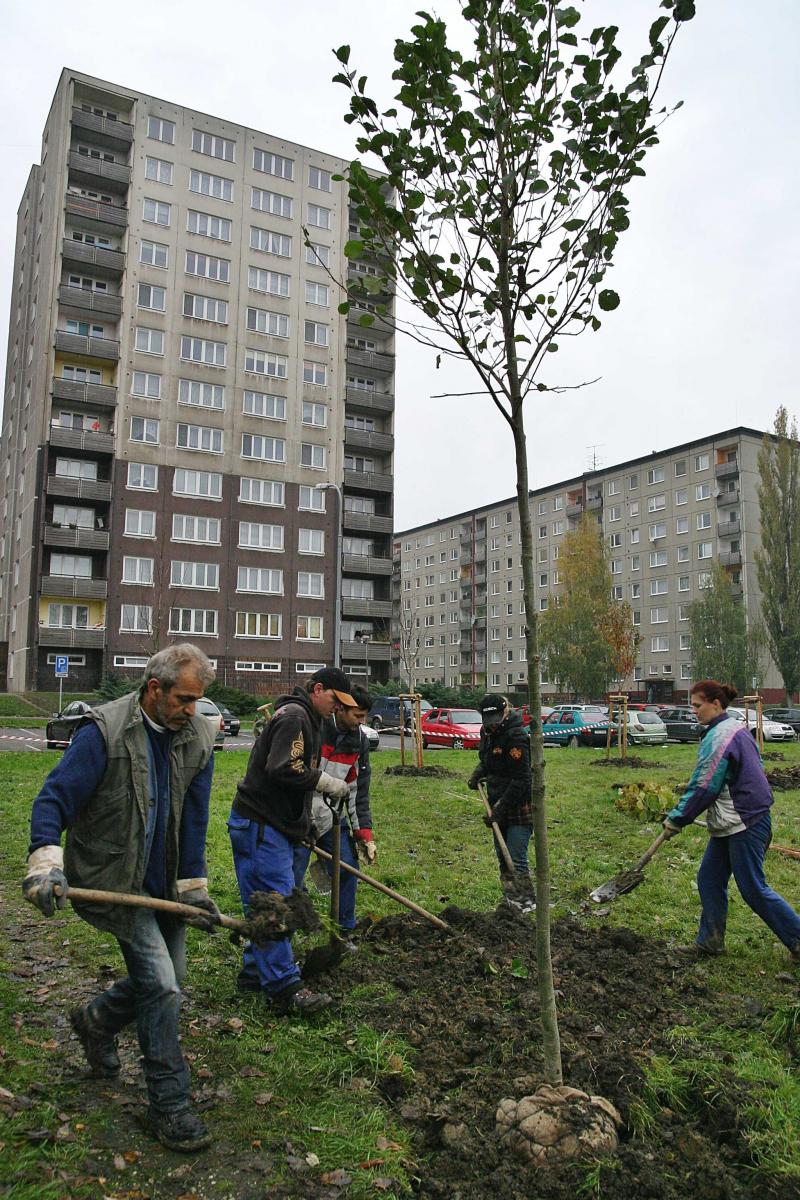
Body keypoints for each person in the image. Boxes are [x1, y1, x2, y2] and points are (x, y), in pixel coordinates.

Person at [22, 644, 219, 1153]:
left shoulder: (198, 735)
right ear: (154, 689)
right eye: (183, 699)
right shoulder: (103, 732)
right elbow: (54, 799)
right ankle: (169, 1103)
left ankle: (95, 1021)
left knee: (171, 978)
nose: (191, 710)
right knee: (162, 987)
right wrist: (45, 861)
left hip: (164, 886)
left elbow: (194, 816)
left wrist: (193, 887)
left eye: (198, 700)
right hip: (115, 882)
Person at [228, 666, 356, 1014]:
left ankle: (255, 973)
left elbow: (289, 787)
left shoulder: (308, 718)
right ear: (318, 689)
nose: (338, 708)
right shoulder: (295, 717)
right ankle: (285, 986)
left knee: (268, 899)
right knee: (275, 902)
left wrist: (303, 827)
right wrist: (326, 781)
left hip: (273, 824)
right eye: (335, 699)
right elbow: (283, 768)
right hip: (260, 825)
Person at [664, 680, 800, 963]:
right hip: (732, 820)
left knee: (752, 888)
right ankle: (710, 942)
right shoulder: (732, 728)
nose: (694, 711)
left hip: (746, 822)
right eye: (692, 705)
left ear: (716, 703)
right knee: (710, 879)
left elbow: (704, 786)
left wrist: (678, 818)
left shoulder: (721, 736)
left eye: (697, 705)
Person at [292, 684, 376, 937]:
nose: (361, 722)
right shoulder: (314, 728)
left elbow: (357, 790)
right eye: (357, 715)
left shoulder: (358, 741)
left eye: (364, 716)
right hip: (298, 816)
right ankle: (290, 929)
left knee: (348, 869)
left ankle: (343, 930)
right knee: (291, 877)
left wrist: (364, 835)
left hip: (330, 819)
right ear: (340, 709)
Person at [467, 694, 535, 911]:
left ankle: (526, 902)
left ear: (505, 711)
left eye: (496, 720)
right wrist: (477, 774)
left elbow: (522, 778)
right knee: (502, 857)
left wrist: (501, 808)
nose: (492, 726)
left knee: (515, 856)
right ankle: (511, 902)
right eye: (488, 722)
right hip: (496, 801)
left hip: (518, 803)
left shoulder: (517, 736)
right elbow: (487, 760)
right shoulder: (487, 732)